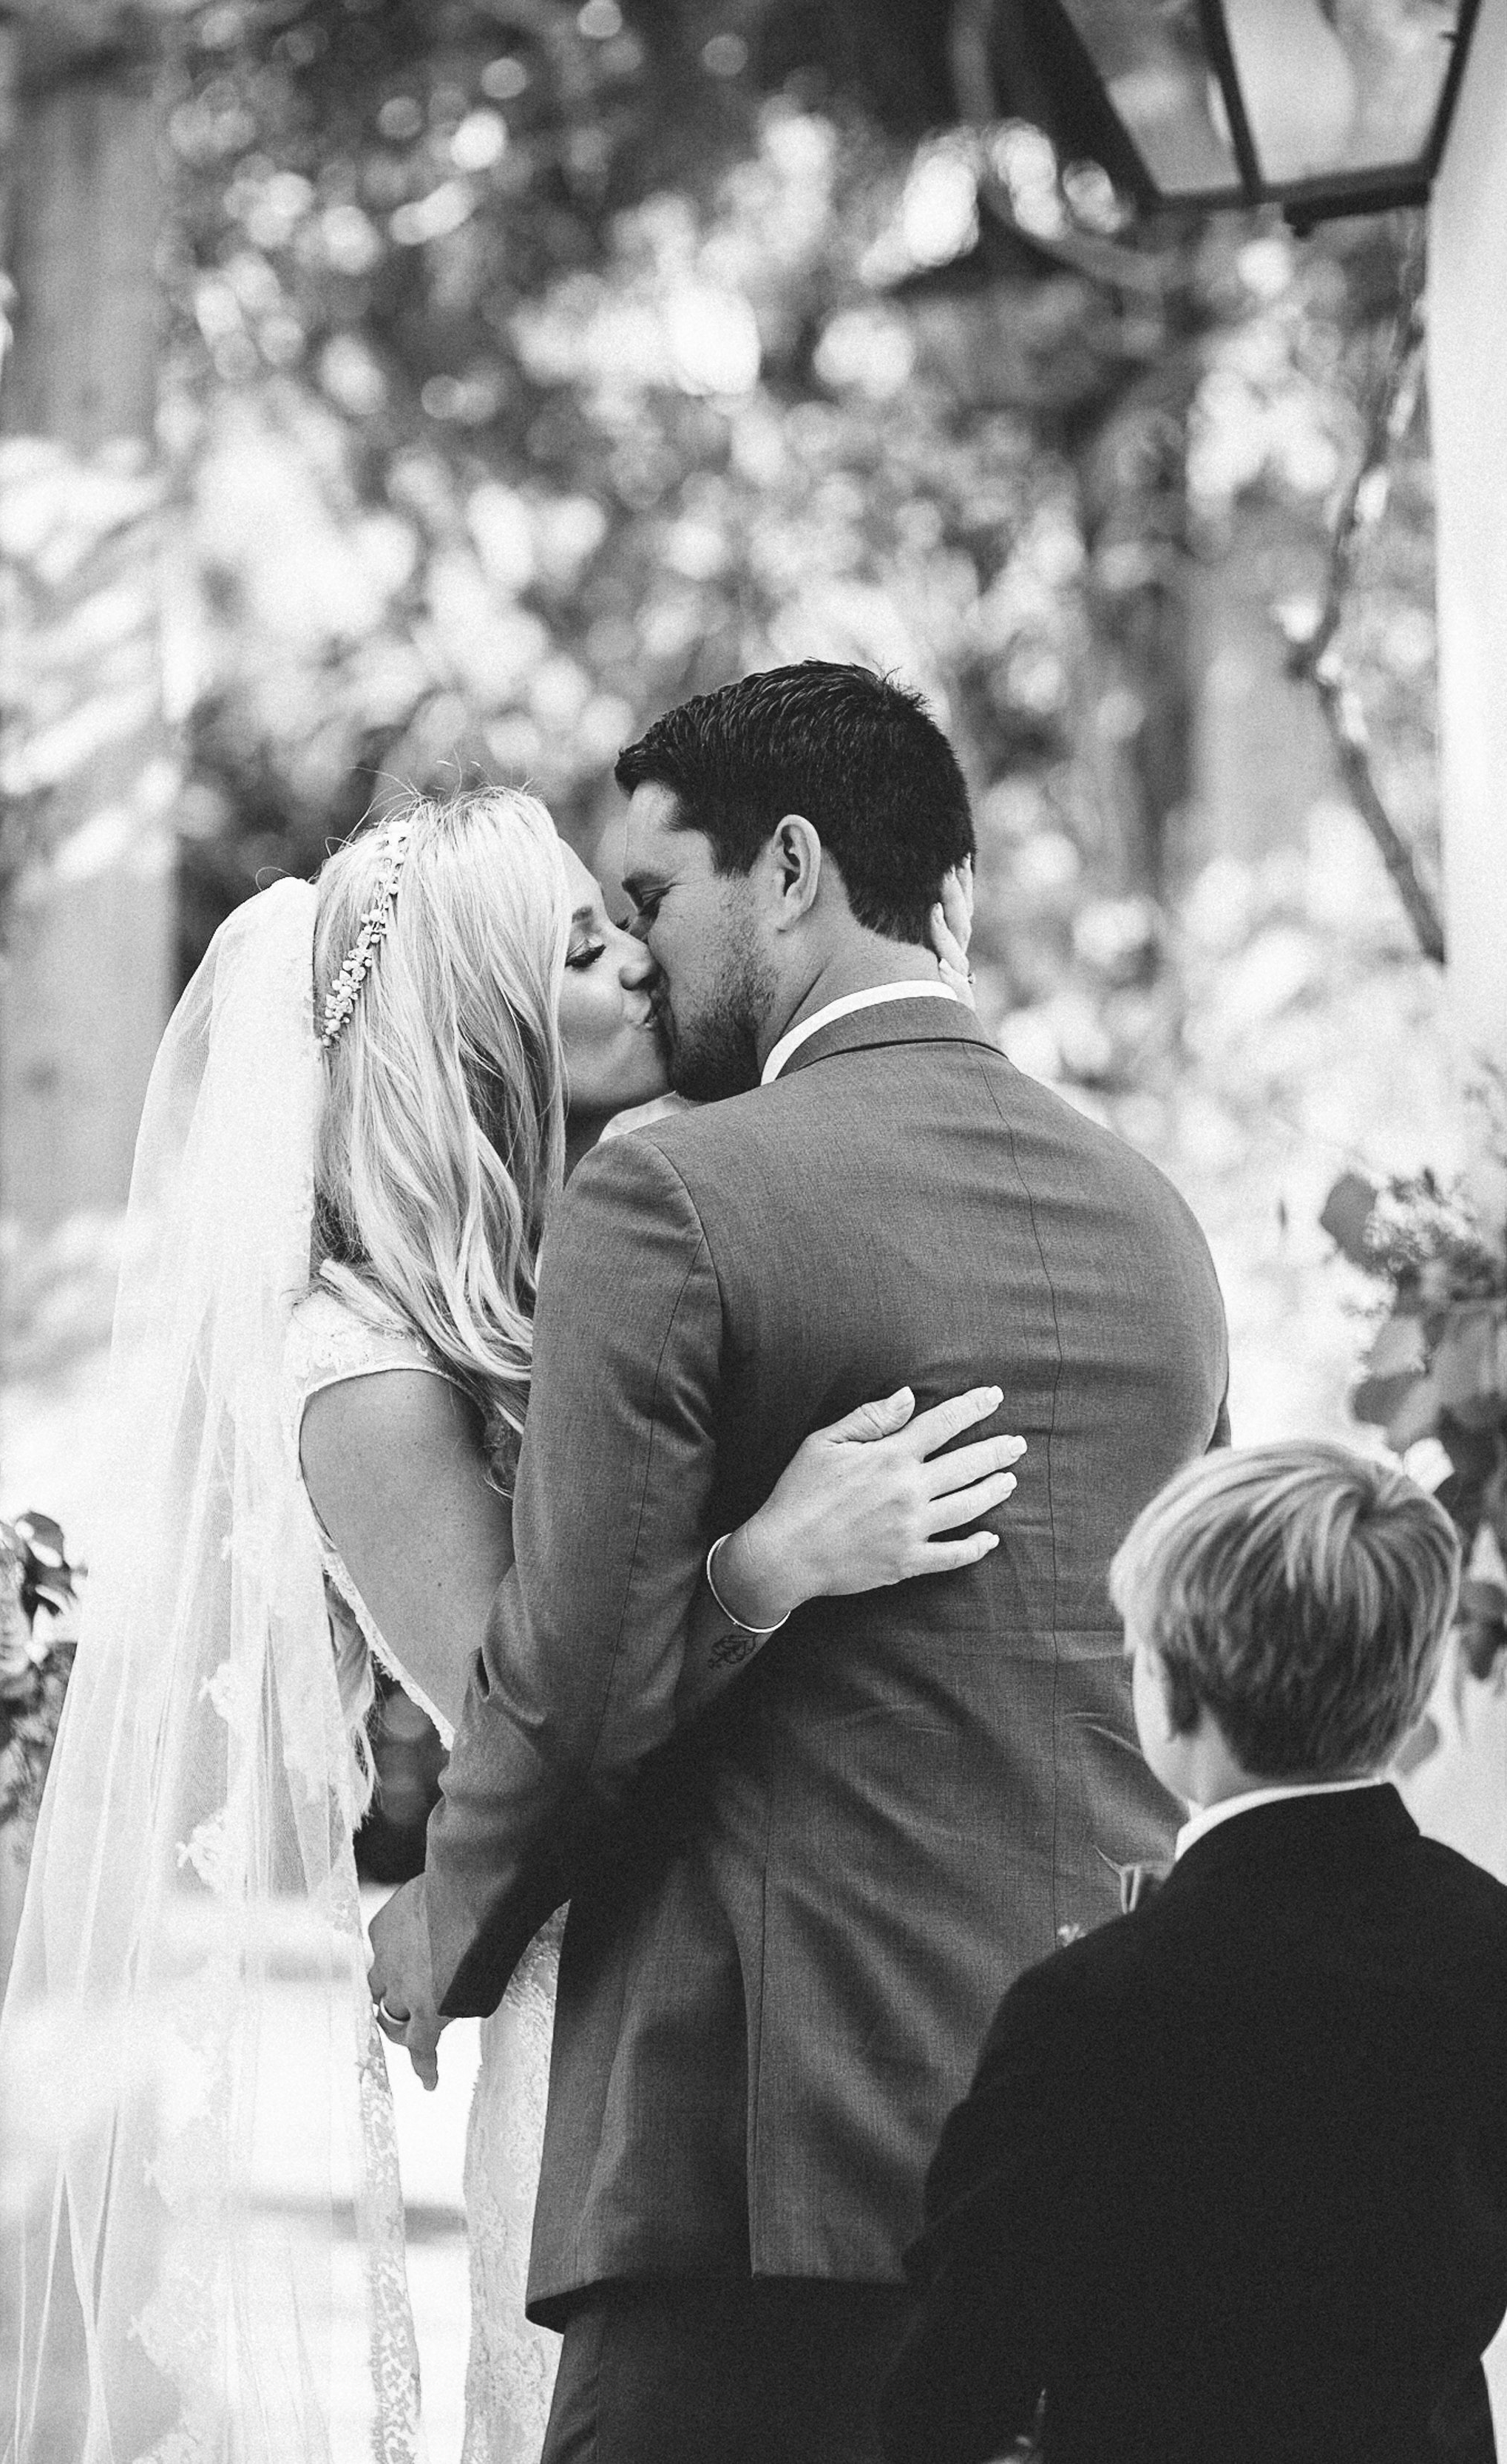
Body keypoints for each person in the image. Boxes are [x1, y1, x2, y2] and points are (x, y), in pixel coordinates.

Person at [0, 783, 1017, 2464]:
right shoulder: (358, 1362)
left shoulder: (624, 1234)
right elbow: (526, 1712)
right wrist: (770, 1561)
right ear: (483, 1013)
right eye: (584, 942)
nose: (644, 959)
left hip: (810, 1998)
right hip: (597, 2019)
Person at [368, 660, 1232, 2464]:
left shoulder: (673, 1196)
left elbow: (572, 1684)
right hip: (1120, 2168)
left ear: (785, 869)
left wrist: (427, 1934)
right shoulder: (1156, 1223)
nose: (635, 951)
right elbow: (1191, 1691)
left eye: (649, 900)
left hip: (764, 2184)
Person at [878, 1442, 1507, 2464]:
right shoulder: (1489, 1952)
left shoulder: (1090, 2008)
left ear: (1175, 1695)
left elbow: (951, 2392)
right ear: (1413, 1677)